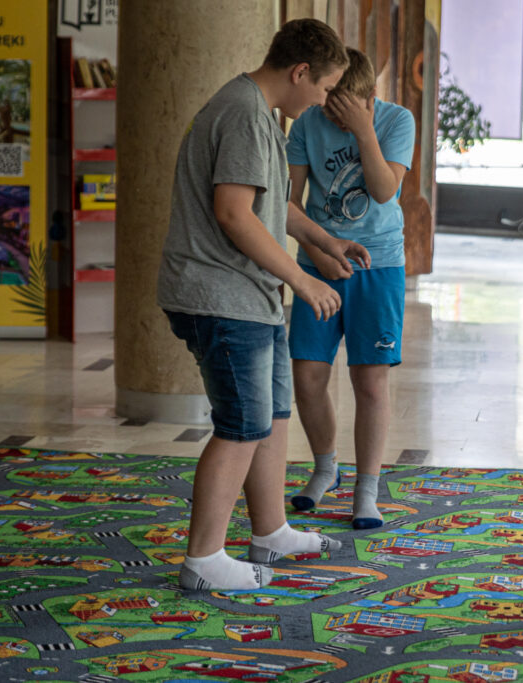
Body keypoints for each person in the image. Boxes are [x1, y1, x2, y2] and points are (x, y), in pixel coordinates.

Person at [157, 19, 371, 591]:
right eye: (326, 88)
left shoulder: (259, 113)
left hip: (250, 295)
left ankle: (270, 530)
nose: (326, 100)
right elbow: (234, 214)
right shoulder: (246, 114)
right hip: (221, 295)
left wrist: (326, 244)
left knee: (272, 415)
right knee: (242, 425)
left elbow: (271, 206)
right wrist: (300, 280)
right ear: (300, 72)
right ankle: (203, 560)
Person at [284, 48, 415, 530]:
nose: (333, 119)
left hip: (379, 266)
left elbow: (384, 191)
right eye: (329, 109)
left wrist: (363, 131)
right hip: (317, 259)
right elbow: (286, 203)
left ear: (369, 99)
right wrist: (318, 253)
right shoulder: (305, 125)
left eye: (346, 111)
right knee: (309, 376)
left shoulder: (397, 122)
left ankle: (367, 487)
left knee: (370, 381)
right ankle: (325, 468)